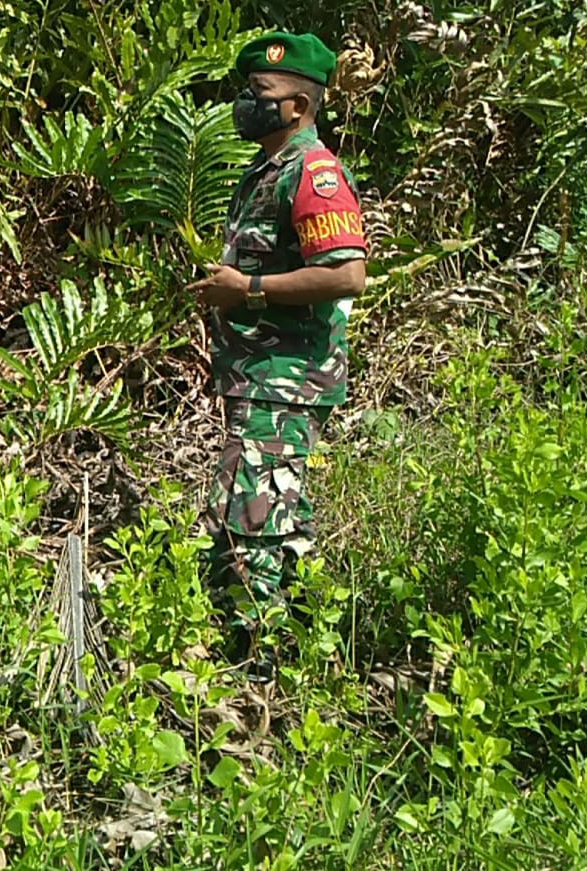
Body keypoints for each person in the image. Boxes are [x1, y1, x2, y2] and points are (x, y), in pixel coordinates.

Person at [186, 31, 367, 674]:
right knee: (278, 518)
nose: (246, 103)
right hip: (260, 375)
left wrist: (250, 289)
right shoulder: (265, 172)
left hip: (284, 380)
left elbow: (346, 274)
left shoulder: (313, 174)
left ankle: (250, 668)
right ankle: (298, 659)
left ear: (298, 105)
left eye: (259, 93)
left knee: (249, 521)